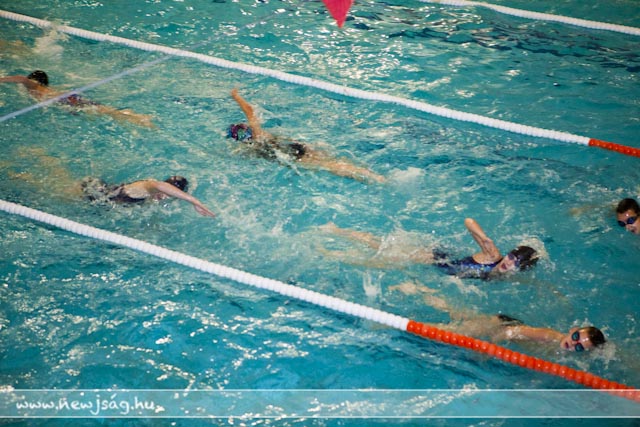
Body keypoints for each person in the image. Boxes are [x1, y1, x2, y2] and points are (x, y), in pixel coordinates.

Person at [390, 281, 606, 353]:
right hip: (500, 326)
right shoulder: (549, 336)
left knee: (458, 314)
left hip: (503, 321)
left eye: (580, 347)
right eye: (576, 337)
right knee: (446, 332)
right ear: (572, 330)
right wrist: (490, 348)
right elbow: (510, 332)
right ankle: (394, 322)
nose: (573, 343)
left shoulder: (562, 350)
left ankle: (418, 289)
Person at [227, 88, 385, 184]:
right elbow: (250, 111)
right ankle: (370, 175)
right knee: (336, 162)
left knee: (333, 166)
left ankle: (373, 178)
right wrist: (236, 96)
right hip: (298, 148)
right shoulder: (260, 135)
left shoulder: (252, 148)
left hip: (296, 157)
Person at [319, 218, 538, 279]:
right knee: (381, 251)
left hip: (440, 267)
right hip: (433, 259)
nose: (509, 262)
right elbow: (469, 221)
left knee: (382, 254)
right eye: (511, 256)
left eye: (516, 263)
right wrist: (486, 239)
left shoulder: (507, 277)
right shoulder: (493, 255)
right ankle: (336, 233)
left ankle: (334, 246)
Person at [0, 70, 155, 128]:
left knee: (101, 112)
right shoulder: (44, 89)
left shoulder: (33, 86)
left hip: (63, 100)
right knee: (102, 110)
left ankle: (135, 117)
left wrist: (2, 79)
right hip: (67, 97)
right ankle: (135, 116)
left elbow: (21, 78)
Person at [79, 176, 216, 217]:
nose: (163, 196)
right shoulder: (147, 187)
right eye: (166, 192)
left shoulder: (152, 199)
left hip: (98, 203)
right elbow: (158, 185)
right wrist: (193, 200)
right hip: (89, 191)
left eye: (168, 196)